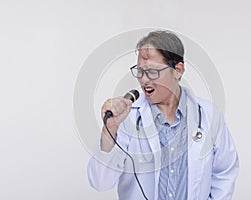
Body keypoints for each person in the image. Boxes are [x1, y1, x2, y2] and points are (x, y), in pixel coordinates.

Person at [87, 30, 239, 200]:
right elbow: (100, 183)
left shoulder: (209, 116)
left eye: (152, 71)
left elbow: (224, 172)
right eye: (139, 70)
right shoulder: (126, 117)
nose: (143, 80)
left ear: (178, 70)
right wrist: (109, 132)